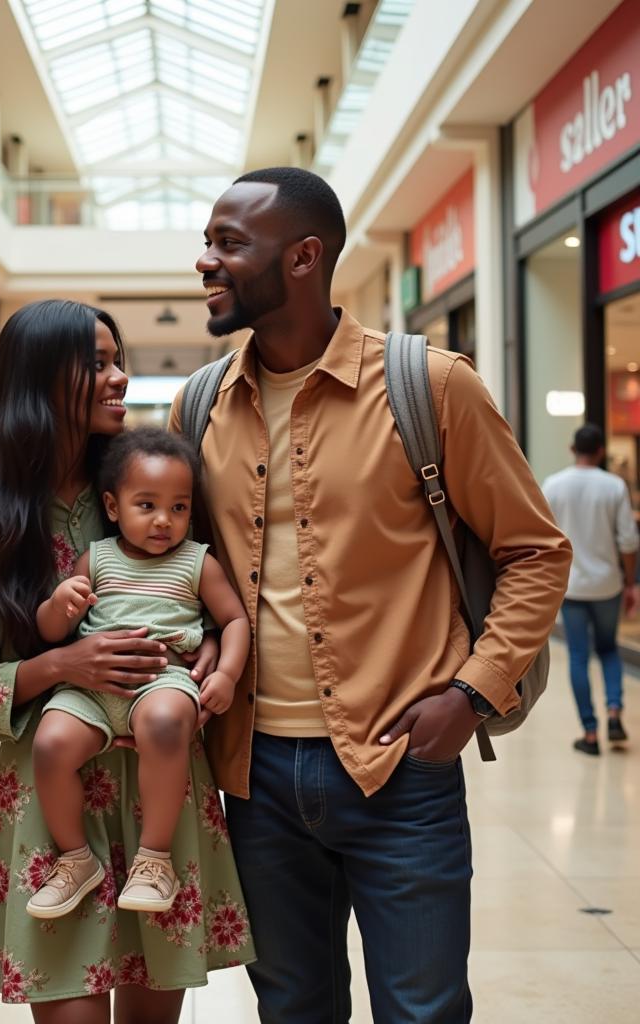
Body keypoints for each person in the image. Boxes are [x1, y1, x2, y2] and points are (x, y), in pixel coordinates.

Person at [168, 167, 572, 1023]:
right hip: (251, 775)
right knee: (293, 1009)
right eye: (209, 242)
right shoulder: (200, 406)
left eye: (228, 243)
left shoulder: (430, 386)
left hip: (401, 770)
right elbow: (176, 566)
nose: (206, 261)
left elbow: (536, 551)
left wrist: (471, 693)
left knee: (422, 1010)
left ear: (305, 256)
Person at [0, 299, 254, 1022]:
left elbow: (223, 608)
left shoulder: (147, 486)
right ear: (38, 378)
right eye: (96, 364)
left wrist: (212, 673)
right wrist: (63, 664)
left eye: (118, 360)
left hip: (159, 798)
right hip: (52, 803)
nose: (119, 379)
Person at [28, 427, 249, 919]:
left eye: (179, 507)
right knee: (51, 744)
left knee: (167, 723)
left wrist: (228, 674)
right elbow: (50, 631)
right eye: (146, 505)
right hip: (90, 688)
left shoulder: (197, 562)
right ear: (112, 506)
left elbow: (234, 619)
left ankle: (155, 859)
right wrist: (59, 604)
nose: (163, 521)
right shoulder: (97, 558)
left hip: (164, 678)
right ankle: (75, 859)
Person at [543, 423, 636, 755]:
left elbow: (544, 538)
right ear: (600, 451)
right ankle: (614, 711)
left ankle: (590, 733)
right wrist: (630, 582)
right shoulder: (613, 487)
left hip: (572, 587)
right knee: (609, 649)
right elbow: (628, 540)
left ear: (572, 449)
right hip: (607, 584)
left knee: (579, 657)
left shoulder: (553, 485)